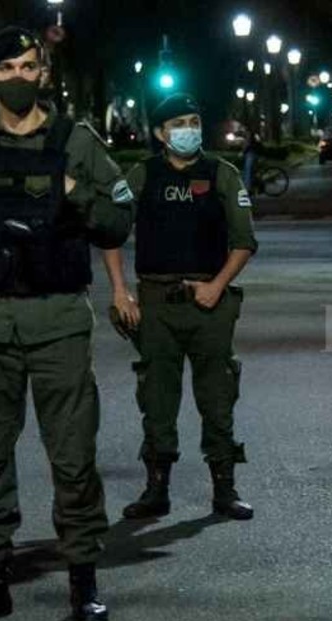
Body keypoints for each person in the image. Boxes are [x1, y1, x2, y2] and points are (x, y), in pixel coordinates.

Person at [0, 26, 134, 621]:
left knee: (73, 458)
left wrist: (72, 189)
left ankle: (83, 577)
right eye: (6, 67)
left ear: (43, 74)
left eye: (28, 66)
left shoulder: (76, 142)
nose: (18, 77)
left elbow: (118, 219)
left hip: (58, 322)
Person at [102, 93, 258, 522]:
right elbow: (109, 230)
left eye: (193, 120)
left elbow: (244, 242)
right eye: (177, 124)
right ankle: (157, 489)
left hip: (209, 304)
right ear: (160, 133)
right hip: (155, 305)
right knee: (156, 396)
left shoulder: (221, 173)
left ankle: (225, 489)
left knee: (218, 395)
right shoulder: (143, 175)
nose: (188, 129)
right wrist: (119, 292)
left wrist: (217, 286)